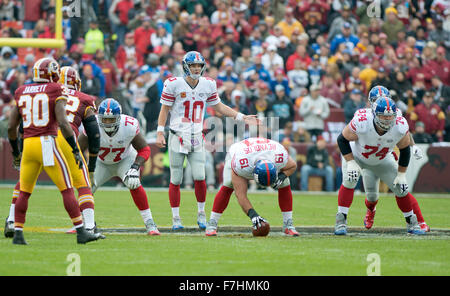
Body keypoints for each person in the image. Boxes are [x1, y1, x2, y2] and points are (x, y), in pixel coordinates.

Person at [155, 51, 260, 230]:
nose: (196, 69)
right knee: (176, 178)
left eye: (198, 66)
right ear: (185, 67)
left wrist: (241, 117)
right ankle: (175, 218)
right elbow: (165, 109)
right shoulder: (173, 84)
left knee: (200, 176)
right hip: (176, 135)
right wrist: (159, 131)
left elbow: (218, 106)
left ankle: (201, 213)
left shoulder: (208, 84)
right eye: (193, 65)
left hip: (196, 136)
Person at [7, 57, 102, 245]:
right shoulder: (65, 93)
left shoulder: (22, 90)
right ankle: (87, 227)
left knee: (24, 186)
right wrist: (82, 156)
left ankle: (13, 223)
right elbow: (91, 133)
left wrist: (16, 151)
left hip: (30, 141)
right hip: (56, 138)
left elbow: (16, 126)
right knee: (76, 184)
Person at [335, 96, 426, 236]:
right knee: (349, 179)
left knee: (401, 188)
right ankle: (341, 220)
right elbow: (342, 139)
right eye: (384, 116)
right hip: (358, 156)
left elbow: (404, 149)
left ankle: (411, 222)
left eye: (391, 116)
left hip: (382, 159)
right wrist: (351, 161)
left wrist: (401, 174)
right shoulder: (362, 120)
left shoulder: (400, 125)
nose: (388, 120)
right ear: (375, 114)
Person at [80, 98, 160, 235]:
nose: (107, 123)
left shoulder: (129, 125)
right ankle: (83, 224)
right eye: (104, 119)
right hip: (100, 162)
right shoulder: (92, 125)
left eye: (111, 120)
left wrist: (135, 167)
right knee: (86, 187)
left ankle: (150, 223)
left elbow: (145, 149)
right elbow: (79, 149)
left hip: (124, 160)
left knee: (134, 183)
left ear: (119, 117)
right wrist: (81, 166)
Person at [358, 86, 429, 232]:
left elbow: (404, 132)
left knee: (402, 189)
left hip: (385, 156)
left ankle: (420, 222)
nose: (383, 107)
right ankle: (371, 210)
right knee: (371, 195)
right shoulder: (363, 116)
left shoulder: (395, 114)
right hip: (368, 158)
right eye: (376, 101)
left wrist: (412, 145)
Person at [205, 137, 300, 237]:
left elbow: (293, 166)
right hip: (239, 154)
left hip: (265, 151)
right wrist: (253, 215)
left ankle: (288, 224)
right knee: (228, 184)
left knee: (284, 182)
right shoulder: (241, 164)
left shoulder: (279, 155)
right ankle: (212, 223)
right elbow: (240, 195)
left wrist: (283, 175)